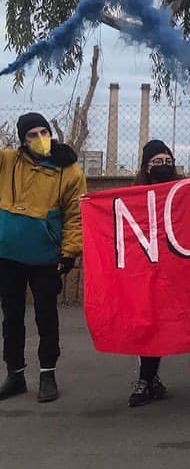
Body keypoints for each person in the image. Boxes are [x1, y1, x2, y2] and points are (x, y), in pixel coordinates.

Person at [0, 113, 85, 404]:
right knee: (11, 316)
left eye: (43, 132)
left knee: (46, 316)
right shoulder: (7, 161)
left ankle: (48, 373)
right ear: (22, 141)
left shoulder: (69, 170)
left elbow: (76, 215)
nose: (39, 139)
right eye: (31, 135)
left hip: (46, 257)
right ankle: (15, 374)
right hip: (7, 255)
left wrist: (70, 251)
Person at [127, 140, 179, 407]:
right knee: (147, 323)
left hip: (175, 270)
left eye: (167, 161)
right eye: (157, 162)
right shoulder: (133, 197)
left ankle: (149, 380)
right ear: (146, 167)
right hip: (146, 270)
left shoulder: (183, 191)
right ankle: (147, 379)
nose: (163, 166)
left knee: (163, 324)